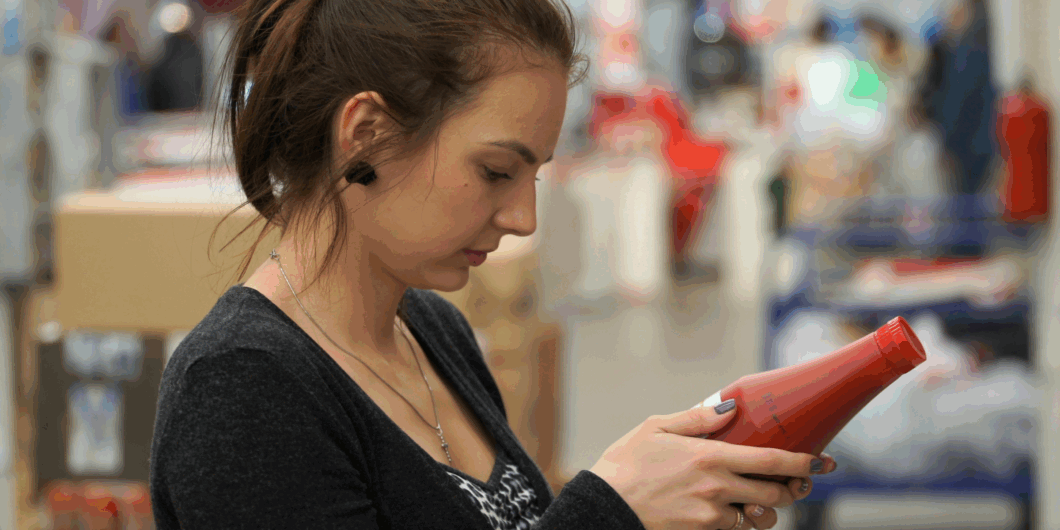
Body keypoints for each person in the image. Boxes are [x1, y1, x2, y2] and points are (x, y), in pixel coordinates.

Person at [148, 1, 836, 529]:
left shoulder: (431, 330)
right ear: (366, 135)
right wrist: (613, 508)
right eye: (497, 171)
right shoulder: (243, 389)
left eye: (533, 176)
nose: (522, 219)